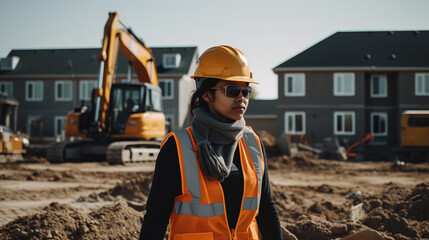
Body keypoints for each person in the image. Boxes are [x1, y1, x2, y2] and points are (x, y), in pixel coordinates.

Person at [139, 45, 284, 240]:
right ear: (207, 95)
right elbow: (156, 218)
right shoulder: (178, 147)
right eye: (232, 90)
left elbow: (266, 209)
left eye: (246, 91)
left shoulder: (253, 143)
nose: (242, 98)